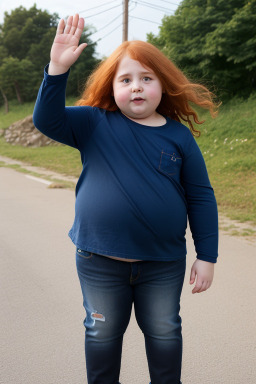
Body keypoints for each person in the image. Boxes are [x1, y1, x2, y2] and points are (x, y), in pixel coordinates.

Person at [33, 14, 219, 384]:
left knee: (165, 331)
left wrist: (207, 255)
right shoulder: (94, 122)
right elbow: (47, 120)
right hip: (99, 259)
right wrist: (57, 68)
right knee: (101, 333)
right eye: (126, 79)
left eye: (146, 79)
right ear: (112, 87)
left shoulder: (179, 138)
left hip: (162, 262)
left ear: (162, 86)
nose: (136, 87)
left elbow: (200, 196)